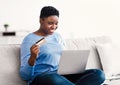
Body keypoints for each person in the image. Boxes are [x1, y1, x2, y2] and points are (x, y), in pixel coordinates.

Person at [20, 6, 105, 85]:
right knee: (54, 79)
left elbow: (65, 58)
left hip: (63, 75)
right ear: (41, 20)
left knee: (99, 74)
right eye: (50, 23)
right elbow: (25, 75)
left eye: (56, 23)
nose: (54, 26)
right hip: (43, 77)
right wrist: (33, 57)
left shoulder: (57, 36)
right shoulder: (29, 39)